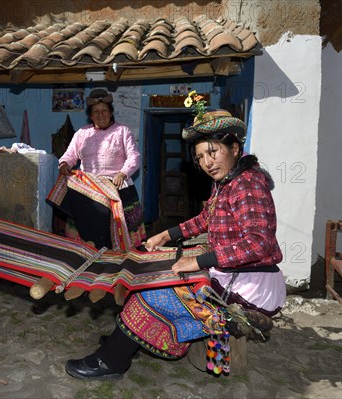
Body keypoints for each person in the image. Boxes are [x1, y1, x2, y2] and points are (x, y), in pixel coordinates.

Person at [65, 109, 286, 380]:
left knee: (152, 295)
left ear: (235, 148)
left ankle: (111, 361)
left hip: (250, 286)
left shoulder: (247, 184)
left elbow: (258, 244)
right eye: (201, 157)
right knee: (150, 277)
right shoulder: (227, 182)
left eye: (213, 152)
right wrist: (167, 235)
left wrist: (197, 261)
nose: (207, 162)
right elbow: (206, 218)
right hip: (234, 274)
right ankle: (125, 341)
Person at [54, 88, 146, 250]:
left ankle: (121, 263)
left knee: (119, 232)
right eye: (95, 112)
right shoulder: (82, 133)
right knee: (88, 231)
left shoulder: (123, 131)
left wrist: (122, 173)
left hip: (118, 187)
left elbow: (134, 157)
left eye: (104, 111)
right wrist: (64, 164)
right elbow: (70, 155)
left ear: (111, 112)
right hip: (89, 190)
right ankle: (88, 261)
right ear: (90, 115)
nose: (100, 115)